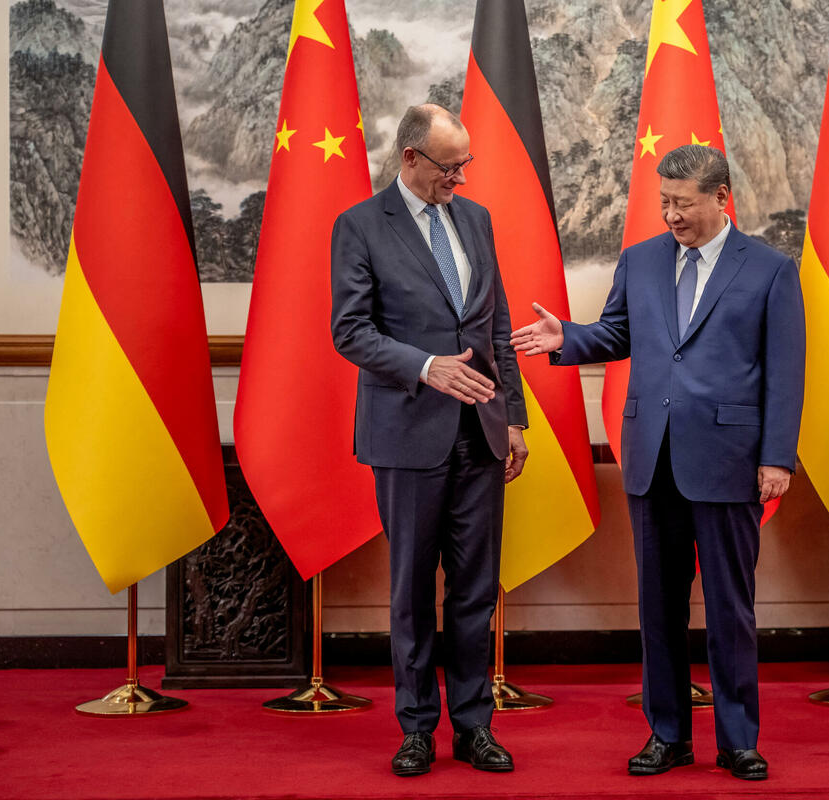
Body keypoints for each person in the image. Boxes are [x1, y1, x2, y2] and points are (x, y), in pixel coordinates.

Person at [512, 145, 805, 782]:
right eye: (664, 202)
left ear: (721, 197)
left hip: (729, 460)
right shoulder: (640, 260)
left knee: (730, 609)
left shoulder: (771, 270)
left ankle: (738, 741)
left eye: (683, 203)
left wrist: (777, 457)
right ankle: (667, 735)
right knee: (658, 609)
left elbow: (786, 372)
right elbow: (617, 333)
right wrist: (568, 337)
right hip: (652, 458)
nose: (670, 215)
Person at [331, 104, 528, 777]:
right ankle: (416, 728)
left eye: (465, 165)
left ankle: (474, 727)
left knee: (476, 589)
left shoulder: (475, 220)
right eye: (450, 166)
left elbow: (495, 326)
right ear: (410, 157)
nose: (460, 179)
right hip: (408, 434)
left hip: (481, 435)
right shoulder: (360, 225)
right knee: (413, 590)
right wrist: (425, 366)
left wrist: (514, 418)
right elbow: (350, 330)